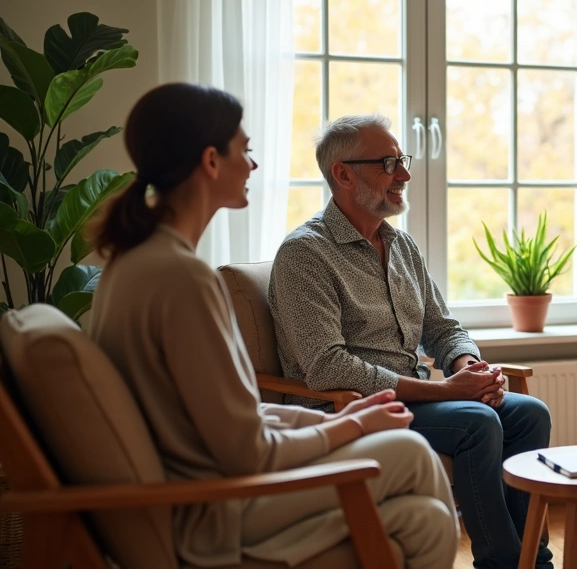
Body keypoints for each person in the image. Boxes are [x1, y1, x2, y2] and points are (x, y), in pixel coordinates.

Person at [89, 84, 458, 568]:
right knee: (409, 453)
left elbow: (233, 416)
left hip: (212, 488)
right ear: (211, 161)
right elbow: (247, 450)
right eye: (244, 150)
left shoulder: (134, 263)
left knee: (424, 519)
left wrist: (338, 421)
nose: (254, 165)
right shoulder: (181, 277)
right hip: (212, 510)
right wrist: (350, 426)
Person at [269, 114, 553, 569]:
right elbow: (327, 367)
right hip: (347, 410)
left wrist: (469, 369)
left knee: (530, 413)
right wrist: (446, 392)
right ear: (343, 174)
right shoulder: (304, 254)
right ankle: (504, 564)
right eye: (388, 163)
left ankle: (532, 561)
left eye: (402, 159)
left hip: (418, 399)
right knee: (477, 423)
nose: (404, 174)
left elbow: (443, 328)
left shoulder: (402, 246)